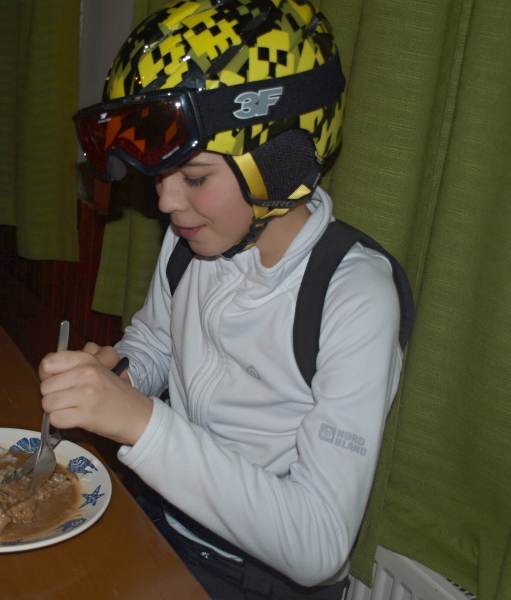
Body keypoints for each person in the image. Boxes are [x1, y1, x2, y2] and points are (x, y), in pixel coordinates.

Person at [39, 1, 405, 598]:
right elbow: (158, 340)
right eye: (159, 177)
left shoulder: (354, 297)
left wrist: (141, 422)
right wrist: (123, 375)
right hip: (163, 523)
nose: (166, 203)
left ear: (282, 163)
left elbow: (318, 544)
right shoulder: (194, 240)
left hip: (260, 578)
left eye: (195, 178)